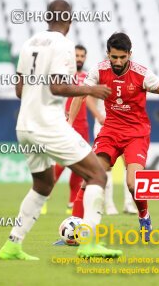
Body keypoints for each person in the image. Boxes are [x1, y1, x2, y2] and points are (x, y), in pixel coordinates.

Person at [0, 0, 121, 260]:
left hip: (24, 126)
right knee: (98, 176)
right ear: (70, 20)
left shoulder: (29, 43)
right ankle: (89, 244)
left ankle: (13, 245)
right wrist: (91, 89)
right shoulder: (63, 44)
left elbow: (19, 90)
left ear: (47, 18)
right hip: (47, 123)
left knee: (42, 185)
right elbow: (57, 87)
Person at [68, 32, 159, 242]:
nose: (118, 61)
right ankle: (74, 229)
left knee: (133, 184)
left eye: (123, 57)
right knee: (91, 177)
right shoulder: (99, 70)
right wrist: (69, 124)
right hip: (110, 131)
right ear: (108, 54)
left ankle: (144, 216)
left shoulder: (142, 74)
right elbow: (81, 92)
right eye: (114, 57)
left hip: (136, 133)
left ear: (130, 54)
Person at [44, 44, 105, 215]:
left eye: (82, 56)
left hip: (83, 128)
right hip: (65, 125)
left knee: (80, 166)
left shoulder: (88, 77)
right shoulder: (63, 77)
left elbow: (92, 100)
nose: (79, 58)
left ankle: (72, 203)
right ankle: (43, 197)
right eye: (76, 55)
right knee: (60, 164)